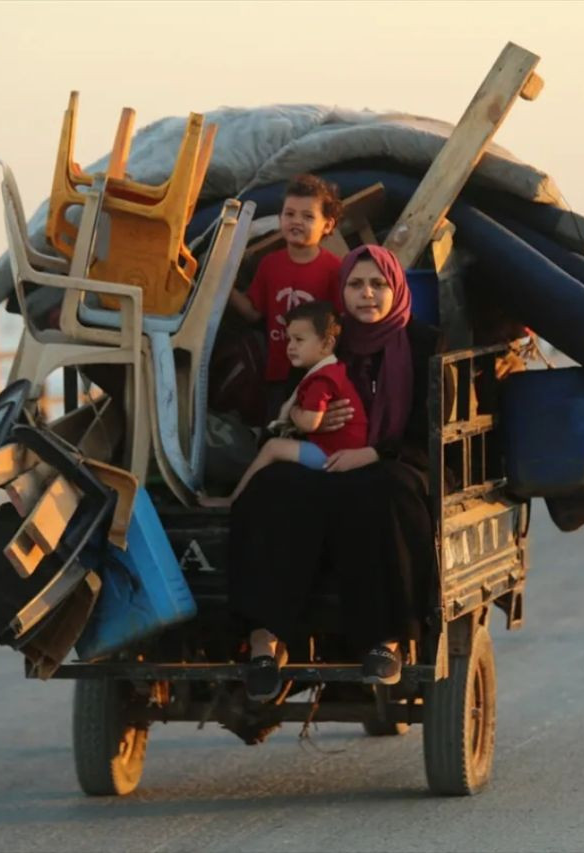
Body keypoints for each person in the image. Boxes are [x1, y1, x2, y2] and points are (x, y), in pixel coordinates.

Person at [226, 244, 437, 701]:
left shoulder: (423, 346)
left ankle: (387, 642)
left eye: (377, 284)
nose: (367, 294)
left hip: (389, 462)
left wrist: (376, 451)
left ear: (395, 288)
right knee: (272, 488)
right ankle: (265, 641)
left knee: (389, 493)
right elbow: (290, 402)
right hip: (323, 460)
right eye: (355, 285)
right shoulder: (326, 340)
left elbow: (429, 430)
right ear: (342, 292)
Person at [200, 301, 367, 507]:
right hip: (336, 449)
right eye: (289, 339)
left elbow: (308, 423)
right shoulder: (332, 370)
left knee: (273, 448)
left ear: (326, 344)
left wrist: (294, 410)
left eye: (299, 340)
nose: (290, 347)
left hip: (334, 456)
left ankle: (235, 499)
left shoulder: (322, 380)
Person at [228, 174, 344, 421]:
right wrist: (225, 286)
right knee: (276, 426)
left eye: (308, 216)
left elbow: (341, 325)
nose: (296, 222)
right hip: (278, 374)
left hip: (317, 376)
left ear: (328, 225)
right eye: (289, 214)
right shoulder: (269, 265)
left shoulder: (335, 270)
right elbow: (253, 312)